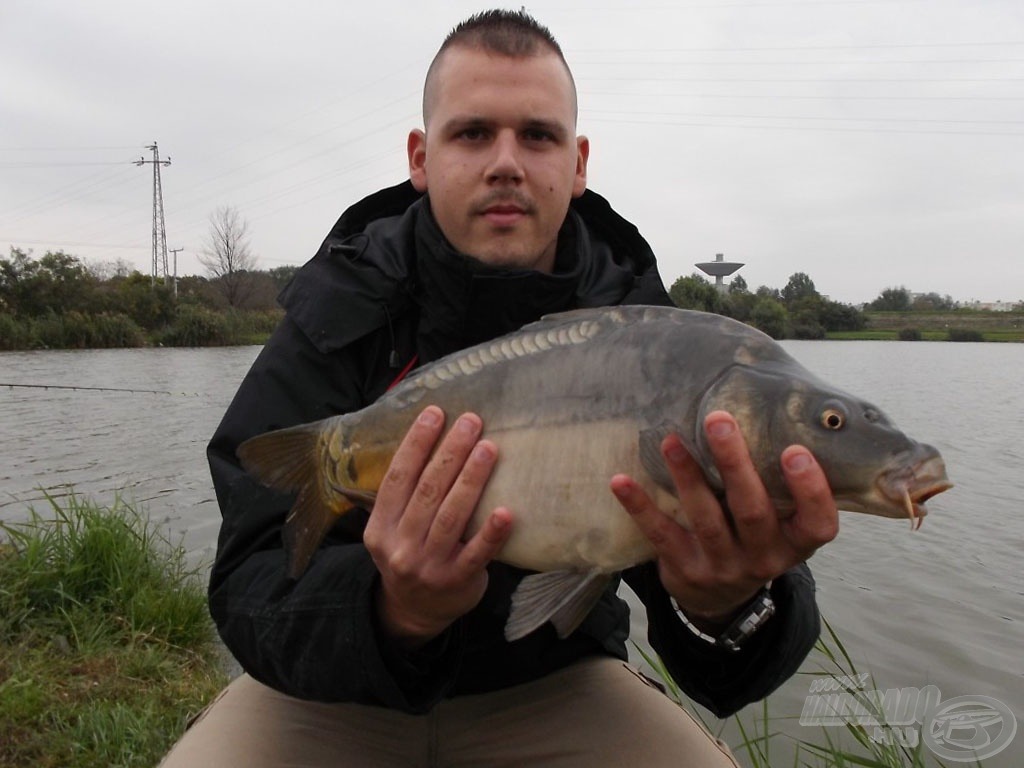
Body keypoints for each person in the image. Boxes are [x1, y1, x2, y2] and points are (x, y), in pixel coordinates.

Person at [161, 9, 837, 767]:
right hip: (335, 692)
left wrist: (729, 604)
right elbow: (249, 585)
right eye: (473, 133)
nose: (506, 163)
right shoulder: (340, 306)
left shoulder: (648, 338)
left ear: (579, 163)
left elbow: (733, 663)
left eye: (539, 136)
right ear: (422, 156)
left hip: (554, 680)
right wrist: (392, 610)